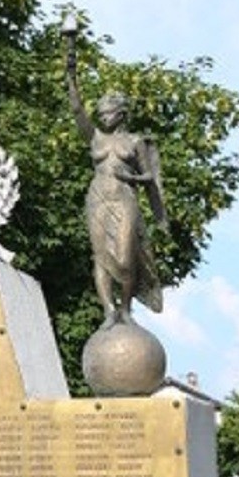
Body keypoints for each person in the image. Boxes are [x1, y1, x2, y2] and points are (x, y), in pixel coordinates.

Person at [65, 52, 167, 327]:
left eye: (107, 112)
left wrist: (131, 178)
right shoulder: (95, 138)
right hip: (97, 199)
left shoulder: (135, 142)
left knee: (124, 257)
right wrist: (71, 71)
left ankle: (127, 308)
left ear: (121, 114)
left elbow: (150, 176)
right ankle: (110, 310)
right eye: (99, 113)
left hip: (124, 199)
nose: (101, 116)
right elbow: (76, 109)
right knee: (100, 256)